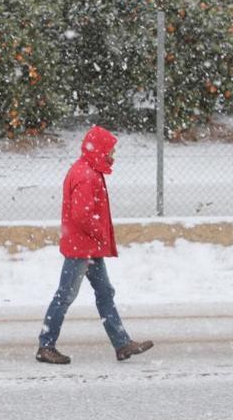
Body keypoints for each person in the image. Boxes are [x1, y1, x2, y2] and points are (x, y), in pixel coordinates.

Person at [36, 125, 153, 364]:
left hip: (87, 246)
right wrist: (100, 233)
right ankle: (46, 346)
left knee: (104, 292)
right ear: (99, 150)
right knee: (66, 295)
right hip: (82, 247)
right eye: (110, 151)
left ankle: (122, 344)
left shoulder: (87, 170)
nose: (113, 156)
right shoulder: (86, 175)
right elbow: (82, 215)